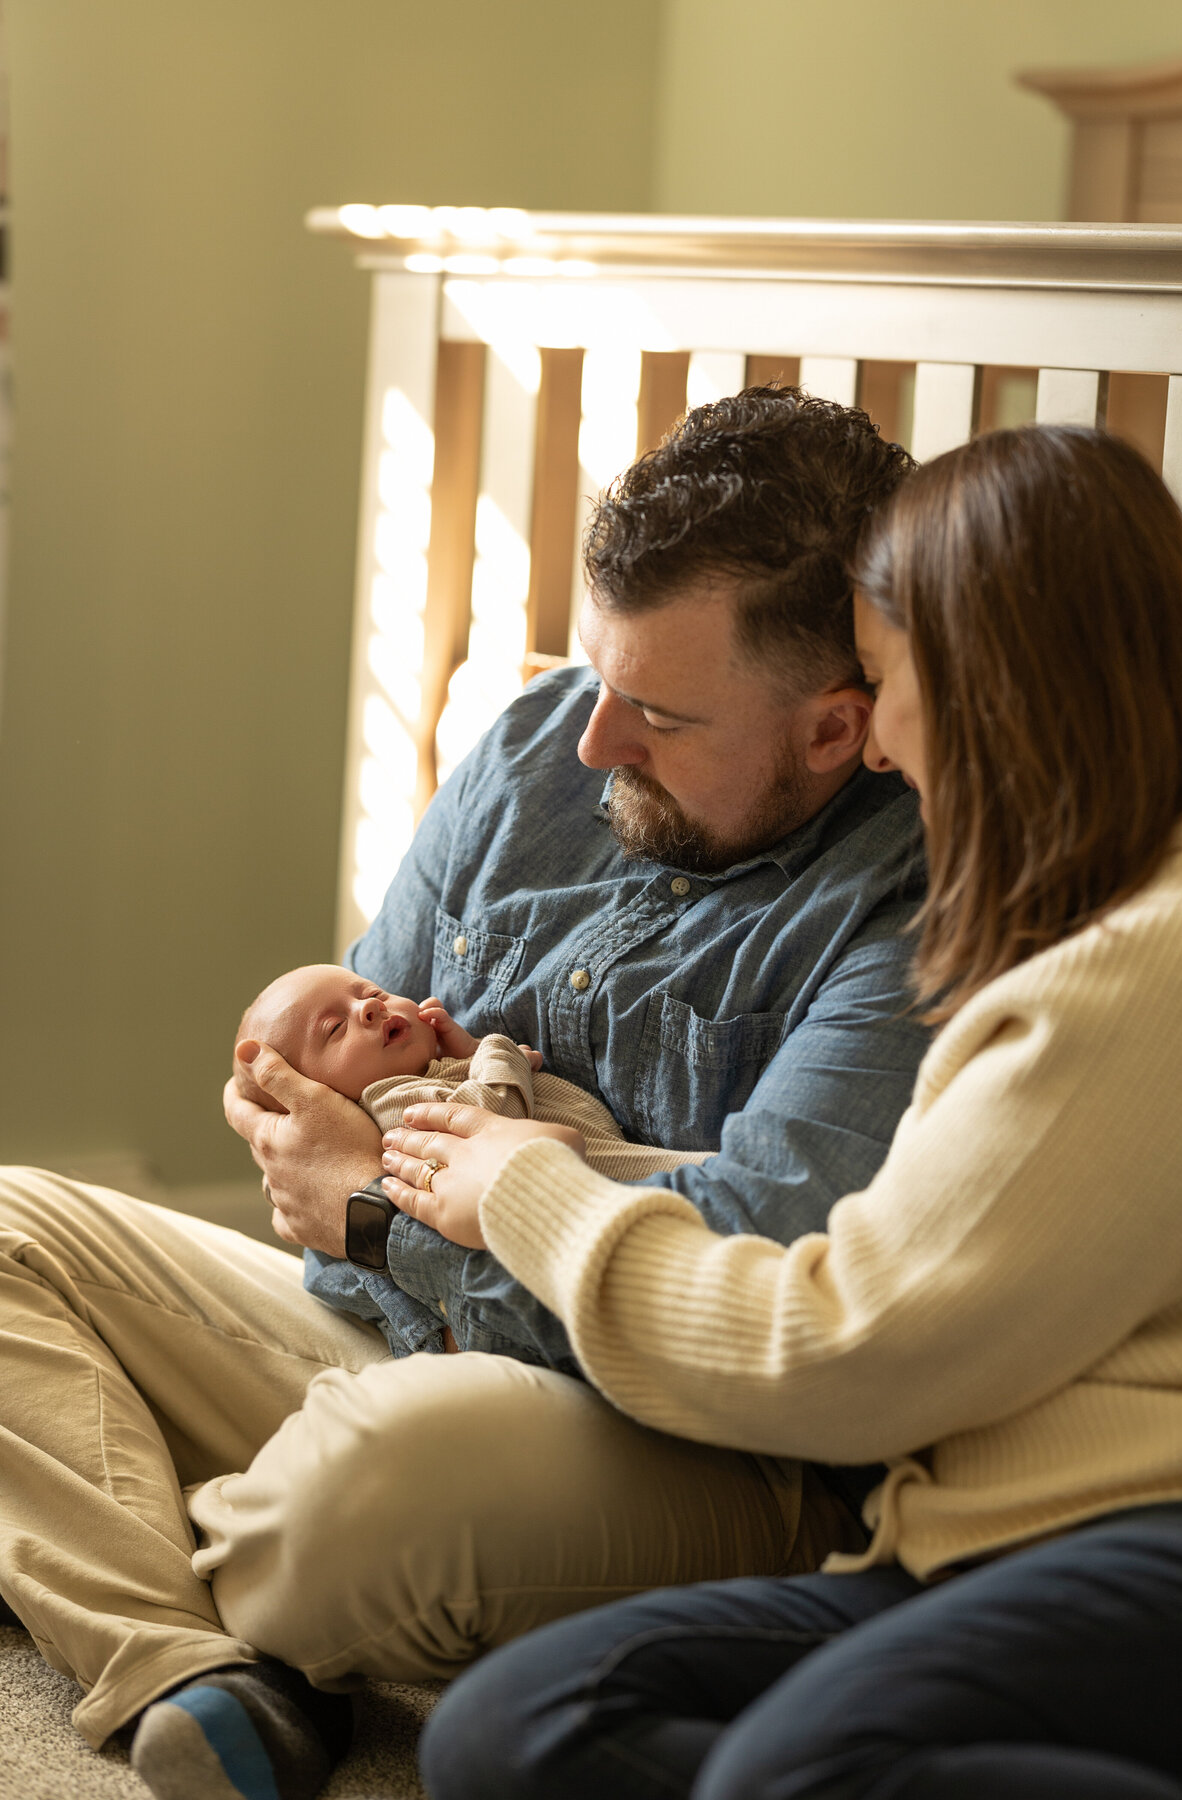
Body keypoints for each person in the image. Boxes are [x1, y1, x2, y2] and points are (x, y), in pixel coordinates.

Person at [0, 389, 924, 1800]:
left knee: (367, 1488)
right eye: (597, 672)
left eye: (661, 715)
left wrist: (382, 1222)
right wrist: (314, 1145)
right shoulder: (533, 747)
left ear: (831, 728)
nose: (593, 742)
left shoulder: (915, 893)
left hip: (683, 1440)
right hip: (389, 1338)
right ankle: (183, 1666)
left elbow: (744, 1300)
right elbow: (327, 1106)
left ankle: (87, 1526)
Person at [385, 424, 1182, 1800]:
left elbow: (841, 1345)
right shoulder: (1064, 936)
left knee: (792, 1770)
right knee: (508, 1727)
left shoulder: (1149, 965)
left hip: (1134, 1531)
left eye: (886, 684)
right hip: (946, 1541)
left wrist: (526, 1187)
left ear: (996, 691)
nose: (873, 740)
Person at [242, 963, 705, 1364]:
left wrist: (464, 1055)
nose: (369, 1008)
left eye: (373, 993)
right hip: (618, 1190)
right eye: (334, 1029)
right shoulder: (394, 1107)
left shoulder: (421, 1083)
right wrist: (497, 1054)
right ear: (318, 1101)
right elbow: (500, 1135)